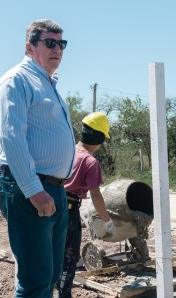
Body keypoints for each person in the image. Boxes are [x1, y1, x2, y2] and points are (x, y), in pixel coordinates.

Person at [0, 19, 75, 297]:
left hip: (53, 187)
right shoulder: (16, 80)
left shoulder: (47, 83)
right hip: (29, 187)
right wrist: (33, 190)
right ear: (30, 47)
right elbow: (11, 137)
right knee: (35, 280)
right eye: (49, 43)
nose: (57, 49)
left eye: (61, 44)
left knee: (49, 275)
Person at [58, 112, 114, 298]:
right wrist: (107, 221)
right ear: (99, 138)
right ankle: (64, 294)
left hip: (53, 202)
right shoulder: (90, 162)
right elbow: (96, 195)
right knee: (69, 258)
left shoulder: (66, 150)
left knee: (53, 253)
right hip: (69, 209)